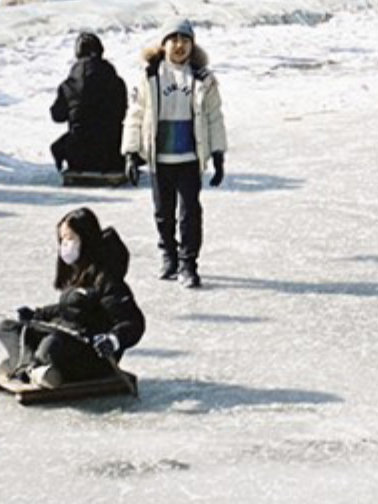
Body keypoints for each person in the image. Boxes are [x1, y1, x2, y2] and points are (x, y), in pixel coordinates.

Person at [122, 17, 228, 288]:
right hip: (161, 158)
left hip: (190, 158)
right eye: (174, 40)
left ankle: (188, 263)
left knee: (190, 213)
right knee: (163, 213)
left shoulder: (203, 78)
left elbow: (214, 117)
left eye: (185, 40)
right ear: (164, 44)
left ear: (192, 44)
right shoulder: (150, 76)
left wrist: (218, 153)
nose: (180, 45)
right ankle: (168, 253)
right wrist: (132, 153)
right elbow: (136, 115)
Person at [0, 208, 145, 389]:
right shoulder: (79, 271)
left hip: (92, 356)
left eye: (70, 239)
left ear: (86, 239)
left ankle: (34, 366)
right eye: (62, 239)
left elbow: (132, 321)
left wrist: (113, 340)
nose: (64, 245)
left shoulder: (107, 279)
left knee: (51, 342)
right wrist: (37, 314)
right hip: (66, 340)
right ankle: (32, 368)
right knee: (9, 327)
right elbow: (67, 307)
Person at [50, 32, 127, 174]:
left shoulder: (67, 85)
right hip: (111, 156)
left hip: (78, 156)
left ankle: (61, 153)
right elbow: (122, 113)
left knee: (73, 135)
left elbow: (57, 116)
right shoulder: (116, 82)